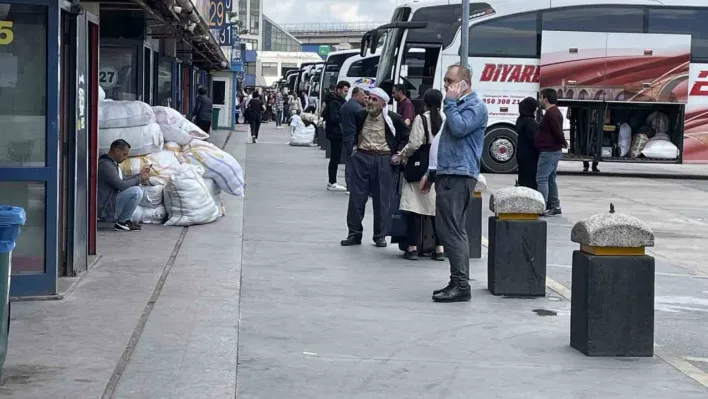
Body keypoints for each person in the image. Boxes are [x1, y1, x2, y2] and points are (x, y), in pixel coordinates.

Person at [420, 64, 487, 303]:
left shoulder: (475, 107)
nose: (446, 86)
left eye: (450, 81)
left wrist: (448, 102)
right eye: (446, 81)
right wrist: (433, 172)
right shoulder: (459, 106)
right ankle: (457, 280)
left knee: (452, 230)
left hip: (460, 174)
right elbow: (443, 143)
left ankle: (461, 284)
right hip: (449, 172)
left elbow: (459, 129)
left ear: (464, 84)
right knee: (449, 228)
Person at [341, 88, 409, 248]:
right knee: (356, 198)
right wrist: (353, 150)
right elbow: (354, 132)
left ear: (383, 104)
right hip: (362, 157)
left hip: (383, 159)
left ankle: (380, 235)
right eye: (369, 98)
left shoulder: (393, 119)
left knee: (382, 199)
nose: (370, 102)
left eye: (374, 99)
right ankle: (354, 233)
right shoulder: (361, 115)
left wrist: (398, 154)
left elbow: (406, 137)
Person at [393, 89, 446, 261]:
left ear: (425, 102)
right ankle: (439, 249)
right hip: (438, 168)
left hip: (419, 169)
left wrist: (402, 155)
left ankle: (412, 247)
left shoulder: (421, 118)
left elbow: (414, 143)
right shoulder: (445, 119)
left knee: (414, 209)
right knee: (434, 211)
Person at [98, 139, 149, 232]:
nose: (125, 157)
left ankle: (124, 221)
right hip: (105, 208)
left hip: (110, 203)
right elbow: (120, 185)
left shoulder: (112, 164)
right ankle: (122, 222)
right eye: (124, 154)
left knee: (137, 187)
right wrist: (139, 178)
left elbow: (121, 180)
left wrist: (138, 176)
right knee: (136, 192)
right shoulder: (106, 165)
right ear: (117, 151)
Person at [535, 88, 567, 216]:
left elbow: (557, 131)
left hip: (549, 151)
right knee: (550, 178)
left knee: (541, 178)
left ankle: (541, 207)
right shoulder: (553, 112)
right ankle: (555, 205)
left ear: (545, 98)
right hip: (552, 150)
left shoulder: (551, 114)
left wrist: (563, 142)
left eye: (541, 97)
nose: (539, 100)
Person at [323, 80, 351, 192]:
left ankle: (332, 181)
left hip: (334, 132)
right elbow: (334, 118)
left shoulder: (334, 100)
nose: (345, 93)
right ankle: (332, 182)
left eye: (347, 91)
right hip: (336, 132)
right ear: (338, 90)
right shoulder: (335, 102)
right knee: (335, 158)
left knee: (335, 157)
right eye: (345, 91)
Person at [340, 87, 368, 193]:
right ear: (357, 95)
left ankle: (349, 186)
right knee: (356, 163)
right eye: (363, 96)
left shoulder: (344, 106)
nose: (364, 98)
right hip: (354, 138)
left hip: (346, 137)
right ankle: (354, 186)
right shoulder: (358, 108)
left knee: (349, 163)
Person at [515, 97, 540, 190]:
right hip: (531, 155)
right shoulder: (531, 123)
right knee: (531, 181)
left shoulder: (520, 120)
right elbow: (535, 140)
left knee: (523, 178)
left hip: (522, 154)